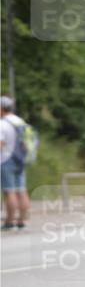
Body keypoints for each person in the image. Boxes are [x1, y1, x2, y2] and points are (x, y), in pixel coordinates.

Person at [0, 95, 30, 230]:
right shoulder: (20, 122)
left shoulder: (2, 123)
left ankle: (9, 222)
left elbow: (1, 144)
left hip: (6, 160)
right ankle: (22, 221)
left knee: (9, 192)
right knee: (21, 190)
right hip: (21, 160)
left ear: (1, 109)